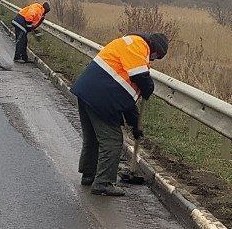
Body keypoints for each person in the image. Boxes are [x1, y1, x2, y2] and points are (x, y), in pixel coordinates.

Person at [69, 31, 169, 196]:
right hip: (102, 97)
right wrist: (148, 86)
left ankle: (89, 175)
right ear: (155, 48)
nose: (153, 60)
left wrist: (135, 125)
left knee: (93, 138)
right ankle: (103, 183)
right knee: (113, 141)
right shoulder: (138, 45)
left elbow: (127, 96)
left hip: (87, 92)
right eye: (156, 56)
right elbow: (140, 77)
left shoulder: (129, 47)